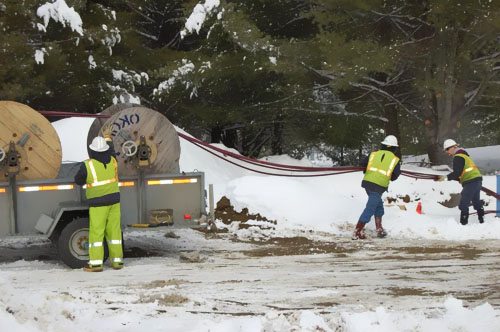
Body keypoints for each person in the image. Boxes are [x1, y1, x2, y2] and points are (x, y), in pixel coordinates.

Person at [74, 127, 123, 272]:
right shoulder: (113, 162)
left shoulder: (87, 165)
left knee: (97, 233)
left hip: (98, 205)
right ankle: (117, 262)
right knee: (114, 233)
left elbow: (78, 181)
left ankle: (96, 264)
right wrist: (108, 138)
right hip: (114, 202)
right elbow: (111, 152)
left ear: (93, 151)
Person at [353, 135, 401, 240]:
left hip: (368, 184)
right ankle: (357, 231)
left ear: (383, 145)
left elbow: (362, 164)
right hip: (378, 186)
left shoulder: (373, 154)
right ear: (394, 148)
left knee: (378, 205)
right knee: (370, 208)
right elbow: (395, 175)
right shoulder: (395, 159)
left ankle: (379, 229)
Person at [437, 139, 484, 225]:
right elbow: (462, 172)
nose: (448, 153)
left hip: (471, 181)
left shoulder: (458, 156)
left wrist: (445, 178)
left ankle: (463, 224)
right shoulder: (465, 155)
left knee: (463, 204)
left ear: (453, 147)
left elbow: (456, 173)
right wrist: (460, 179)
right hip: (477, 180)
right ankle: (482, 221)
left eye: (447, 150)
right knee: (476, 202)